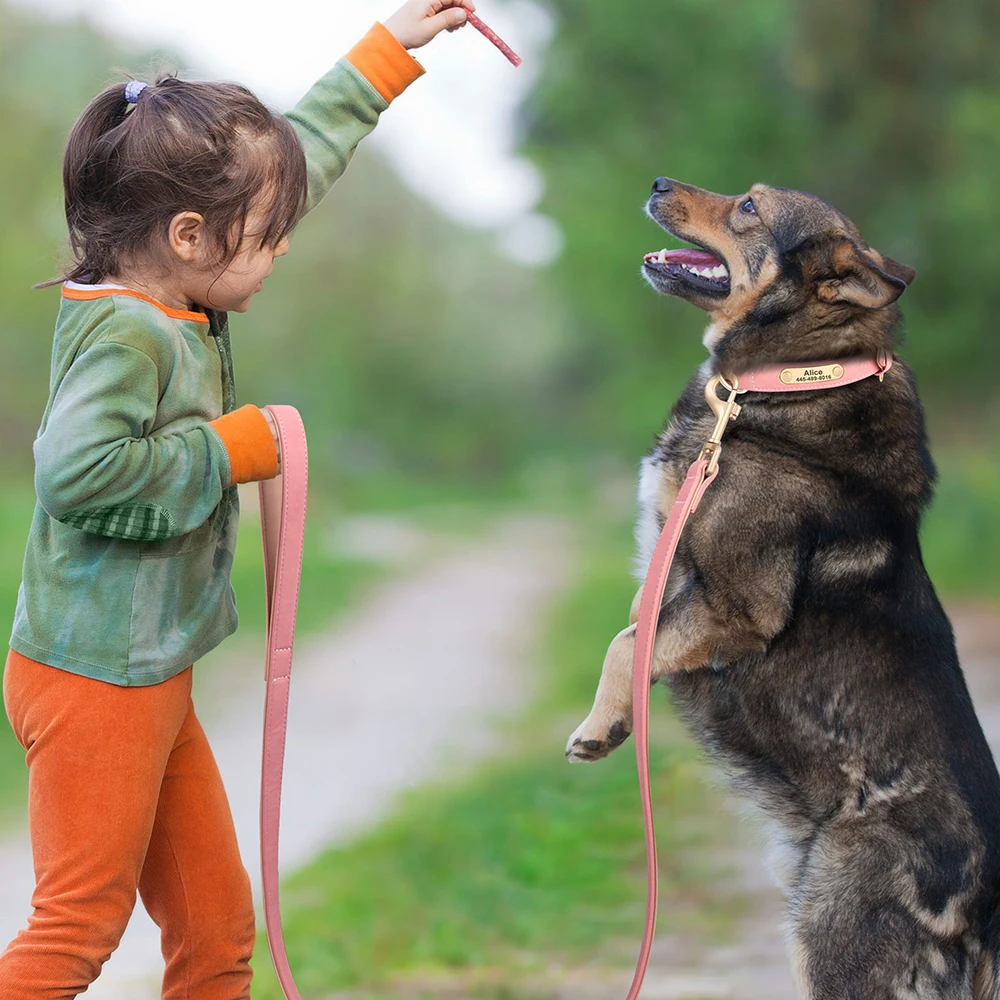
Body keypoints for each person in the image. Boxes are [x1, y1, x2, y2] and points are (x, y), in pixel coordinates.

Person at [0, 2, 474, 996]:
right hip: (96, 680)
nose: (283, 248)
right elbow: (77, 474)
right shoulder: (131, 335)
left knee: (216, 929)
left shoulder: (175, 288)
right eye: (265, 237)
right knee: (79, 925)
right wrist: (228, 449)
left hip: (146, 669)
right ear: (187, 234)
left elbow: (291, 162)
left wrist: (385, 58)